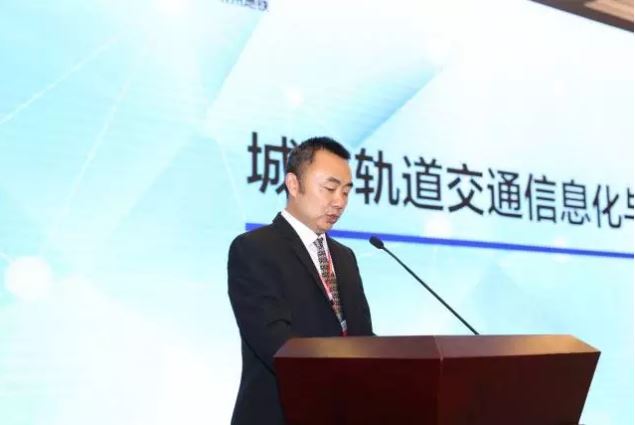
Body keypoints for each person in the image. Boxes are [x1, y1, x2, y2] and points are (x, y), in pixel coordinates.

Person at [227, 137, 374, 425]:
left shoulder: (345, 257)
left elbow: (361, 336)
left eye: (346, 192)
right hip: (280, 414)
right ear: (293, 184)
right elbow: (275, 343)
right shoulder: (255, 248)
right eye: (330, 188)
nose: (339, 202)